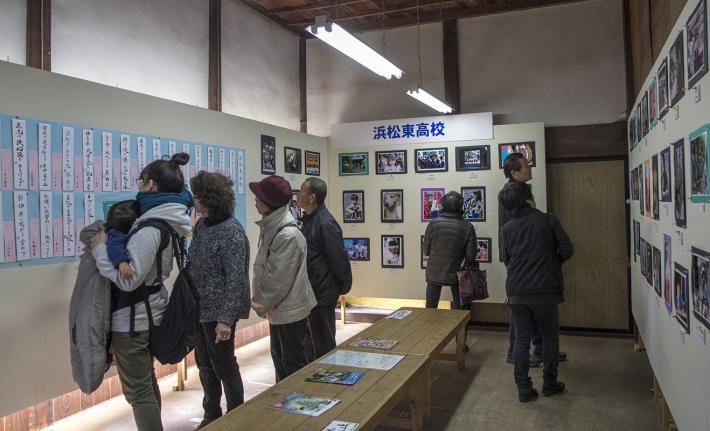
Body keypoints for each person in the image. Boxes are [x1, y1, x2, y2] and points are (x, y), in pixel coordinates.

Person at [90, 153, 193, 431]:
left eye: (141, 181)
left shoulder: (149, 228)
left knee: (139, 393)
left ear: (149, 185)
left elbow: (128, 280)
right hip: (150, 312)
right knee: (146, 385)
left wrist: (100, 248)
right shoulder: (167, 219)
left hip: (134, 320)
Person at [499, 181, 574, 402]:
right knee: (550, 338)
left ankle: (524, 388)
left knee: (522, 340)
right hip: (546, 290)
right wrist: (552, 263)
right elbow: (568, 249)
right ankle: (550, 383)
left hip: (517, 291)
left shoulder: (506, 228)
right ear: (528, 199)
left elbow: (508, 260)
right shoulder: (549, 220)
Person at [188, 171, 250, 429]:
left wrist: (225, 319)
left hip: (219, 313)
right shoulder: (202, 226)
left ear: (210, 199)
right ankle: (211, 413)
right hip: (201, 310)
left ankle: (237, 417)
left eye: (198, 197)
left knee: (224, 365)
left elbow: (236, 278)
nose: (195, 202)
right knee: (204, 365)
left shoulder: (232, 232)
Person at [499, 153, 567, 367]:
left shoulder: (520, 190)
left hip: (527, 263)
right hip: (522, 262)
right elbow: (511, 231)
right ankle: (518, 352)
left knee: (528, 308)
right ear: (514, 173)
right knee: (521, 313)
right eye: (526, 166)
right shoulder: (510, 194)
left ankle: (541, 350)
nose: (530, 169)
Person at [250, 175, 317, 381]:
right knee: (281, 358)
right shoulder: (274, 227)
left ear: (269, 202)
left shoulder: (287, 235)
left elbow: (277, 281)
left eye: (259, 197)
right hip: (281, 309)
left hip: (289, 310)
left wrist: (259, 304)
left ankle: (297, 408)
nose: (255, 200)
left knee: (290, 364)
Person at [297, 177, 352, 362]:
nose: (299, 194)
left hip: (322, 292)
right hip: (313, 291)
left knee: (324, 345)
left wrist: (342, 286)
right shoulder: (311, 220)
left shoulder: (325, 223)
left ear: (312, 197)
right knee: (311, 343)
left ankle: (329, 382)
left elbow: (338, 259)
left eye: (302, 191)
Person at [423, 191, 477, 310]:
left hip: (434, 271)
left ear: (443, 205)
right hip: (457, 272)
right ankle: (460, 328)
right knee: (460, 309)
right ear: (461, 206)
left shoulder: (433, 224)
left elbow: (426, 251)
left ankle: (428, 327)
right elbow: (470, 256)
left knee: (430, 307)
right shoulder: (468, 226)